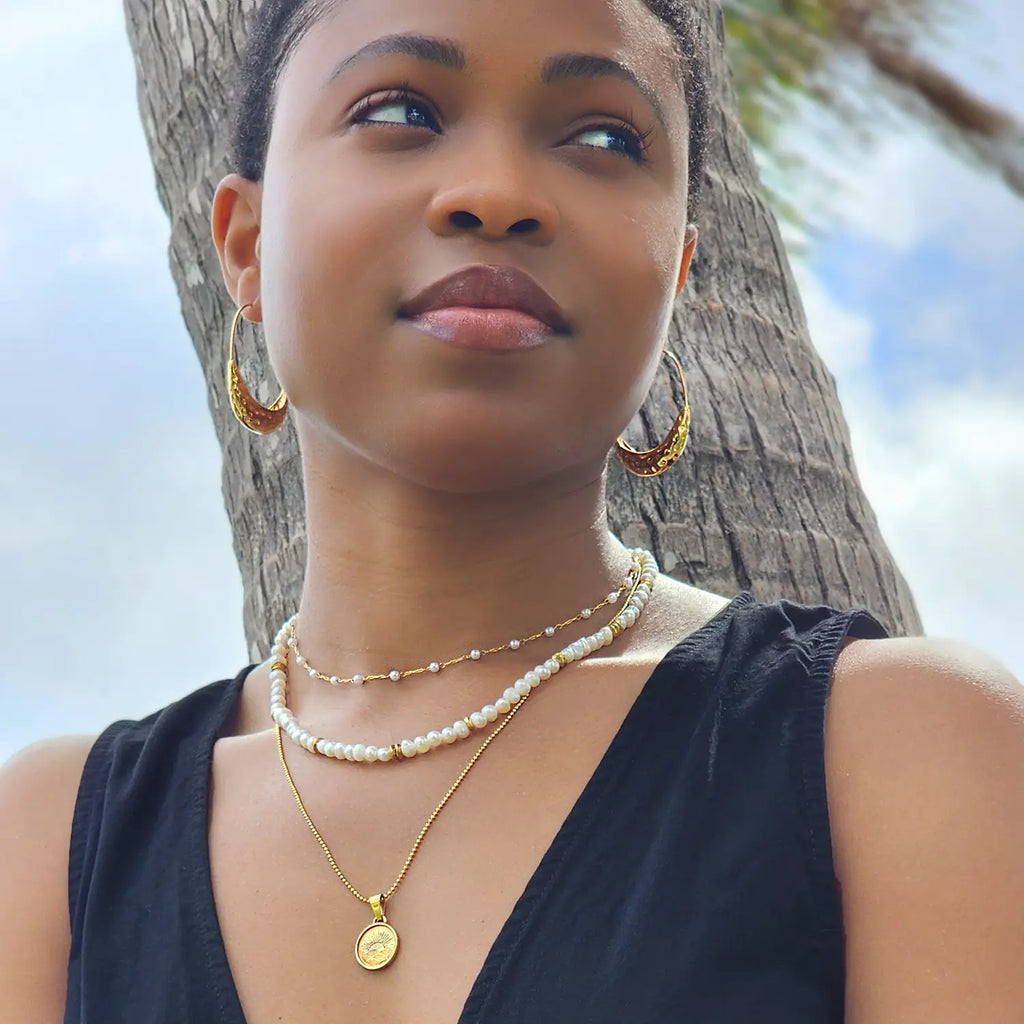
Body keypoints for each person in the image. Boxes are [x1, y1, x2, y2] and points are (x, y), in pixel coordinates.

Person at [3, 0, 1022, 1020]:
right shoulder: (47, 851)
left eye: (602, 137)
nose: (497, 193)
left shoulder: (901, 751)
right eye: (399, 111)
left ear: (676, 268)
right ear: (245, 243)